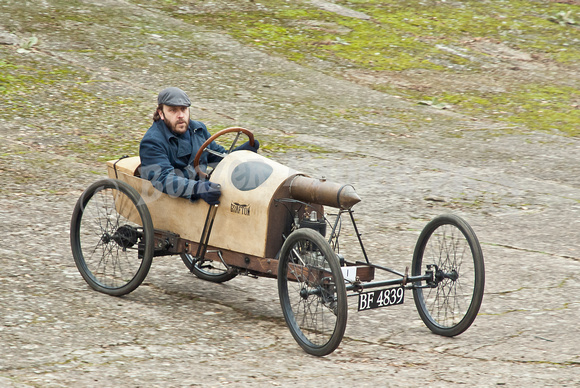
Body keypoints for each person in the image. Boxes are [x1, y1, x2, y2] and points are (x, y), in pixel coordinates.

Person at [139, 87, 259, 205]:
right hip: (173, 199)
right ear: (161, 113)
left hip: (201, 189)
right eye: (173, 110)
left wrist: (240, 152)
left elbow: (217, 156)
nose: (180, 115)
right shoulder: (152, 142)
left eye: (183, 109)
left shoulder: (198, 130)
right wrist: (197, 189)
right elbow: (163, 179)